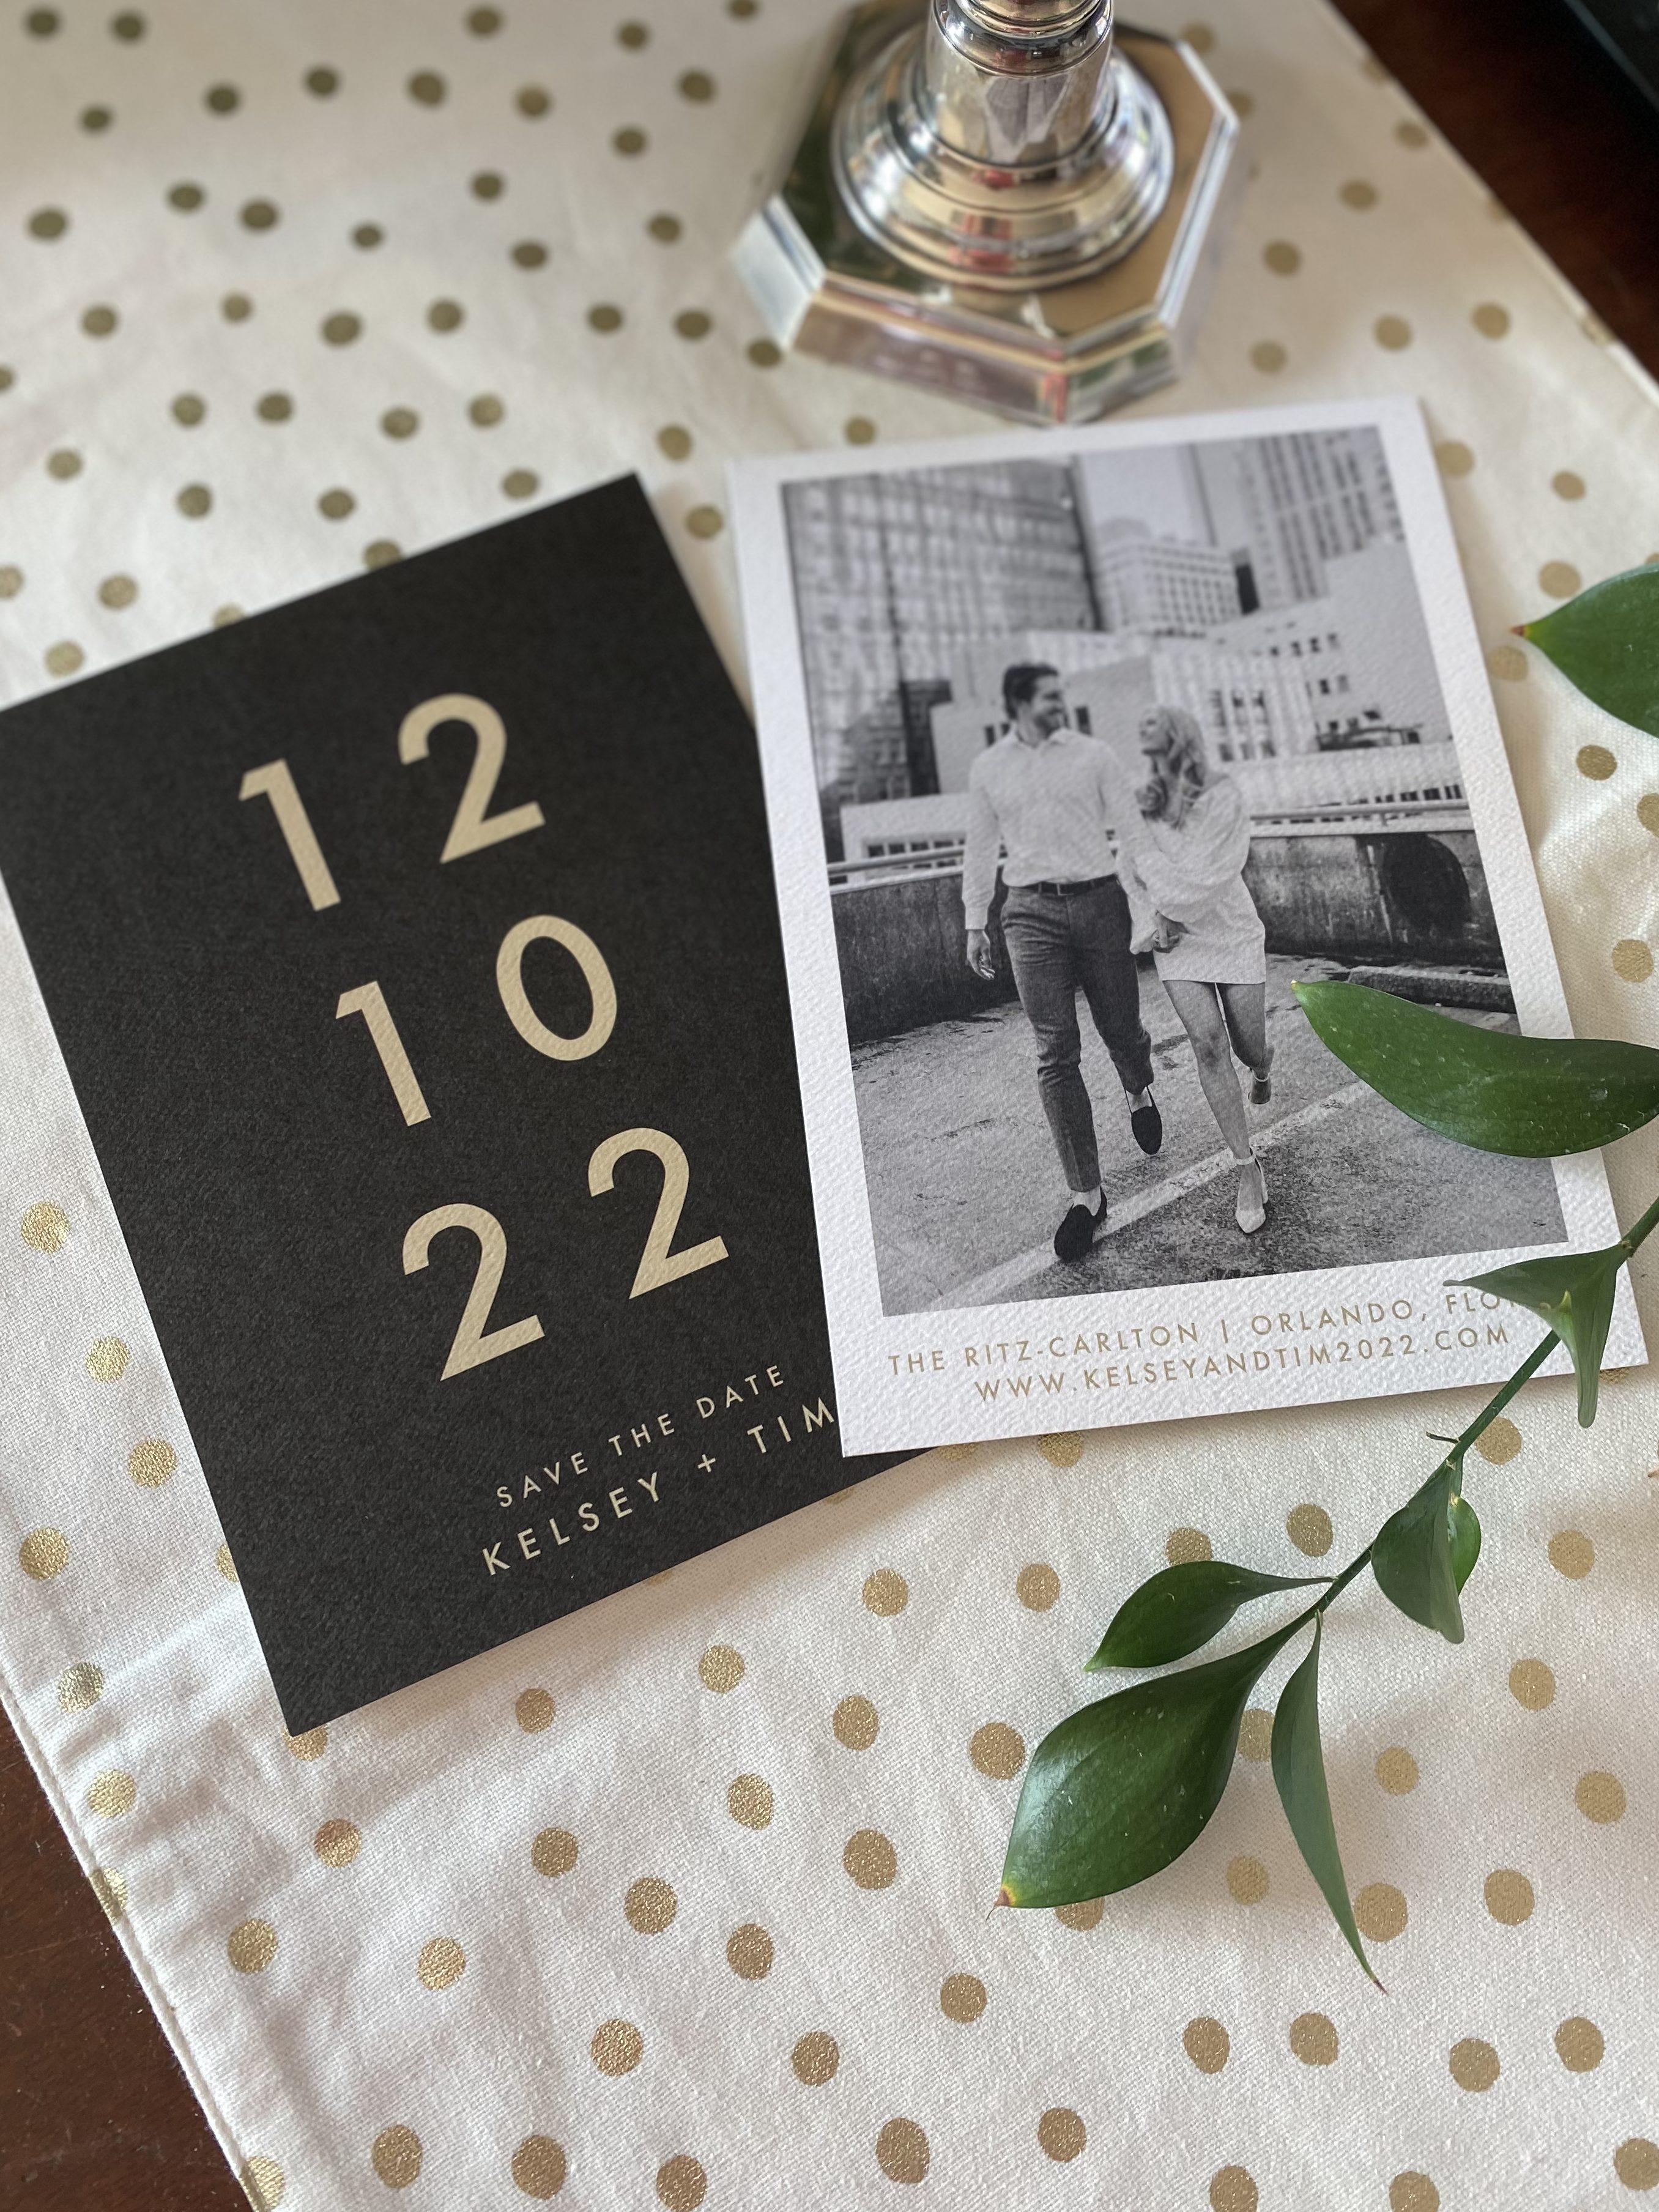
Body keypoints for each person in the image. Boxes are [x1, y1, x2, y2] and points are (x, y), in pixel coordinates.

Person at [963, 663, 1163, 1265]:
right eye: (1051, 697)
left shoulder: (1094, 755)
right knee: (1055, 1051)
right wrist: (975, 920)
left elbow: (1134, 832)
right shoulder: (988, 768)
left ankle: (1137, 1087)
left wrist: (1155, 903)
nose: (1061, 705)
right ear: (1018, 703)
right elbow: (980, 846)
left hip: (1100, 902)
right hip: (1029, 912)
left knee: (1121, 1027)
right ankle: (1086, 1195)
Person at [1123, 705, 1274, 1234]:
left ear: (1178, 733)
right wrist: (1153, 918)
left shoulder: (1221, 791)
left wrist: (1171, 909)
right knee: (1208, 1044)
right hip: (1177, 941)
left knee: (1248, 1046)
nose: (1142, 731)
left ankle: (1263, 1067)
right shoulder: (1143, 801)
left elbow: (1220, 867)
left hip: (1230, 931)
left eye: (1152, 723)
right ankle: (1246, 1167)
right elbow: (1131, 870)